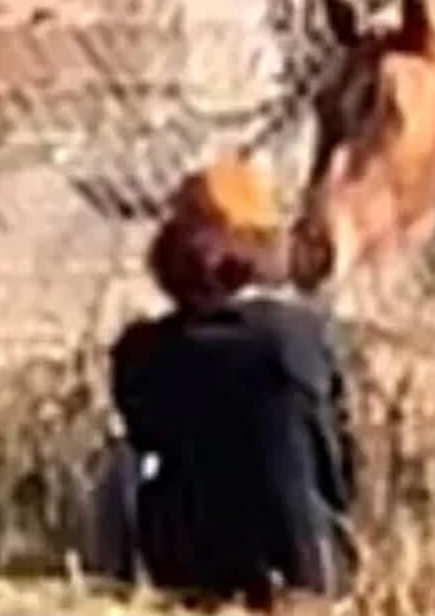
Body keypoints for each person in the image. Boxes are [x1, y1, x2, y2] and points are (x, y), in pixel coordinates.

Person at [93, 154, 359, 610]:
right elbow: (343, 469)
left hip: (193, 577)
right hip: (313, 574)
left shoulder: (143, 357)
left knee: (122, 461)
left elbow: (141, 447)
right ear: (261, 248)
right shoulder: (308, 337)